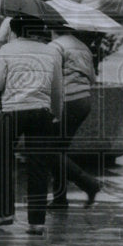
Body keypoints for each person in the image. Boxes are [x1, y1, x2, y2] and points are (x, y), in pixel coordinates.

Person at [0, 16, 63, 235]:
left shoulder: (6, 50)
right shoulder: (51, 52)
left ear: (14, 29)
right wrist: (56, 115)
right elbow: (57, 88)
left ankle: (5, 212)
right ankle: (36, 222)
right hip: (41, 112)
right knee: (39, 165)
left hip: (13, 111)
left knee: (2, 160)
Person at [48, 26, 101, 209]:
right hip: (83, 101)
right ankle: (60, 199)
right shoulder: (82, 47)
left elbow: (52, 79)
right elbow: (93, 78)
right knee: (59, 149)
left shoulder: (56, 47)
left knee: (49, 150)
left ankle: (89, 184)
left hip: (67, 101)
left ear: (53, 28)